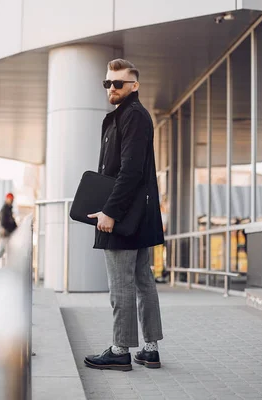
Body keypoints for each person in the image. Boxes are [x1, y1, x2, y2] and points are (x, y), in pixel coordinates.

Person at [85, 59, 164, 372]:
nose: (111, 89)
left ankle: (120, 350)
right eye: (108, 83)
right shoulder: (126, 117)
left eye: (118, 83)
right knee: (144, 281)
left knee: (121, 284)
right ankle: (150, 349)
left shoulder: (132, 116)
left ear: (135, 85)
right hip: (136, 215)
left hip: (124, 216)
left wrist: (110, 211)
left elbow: (130, 171)